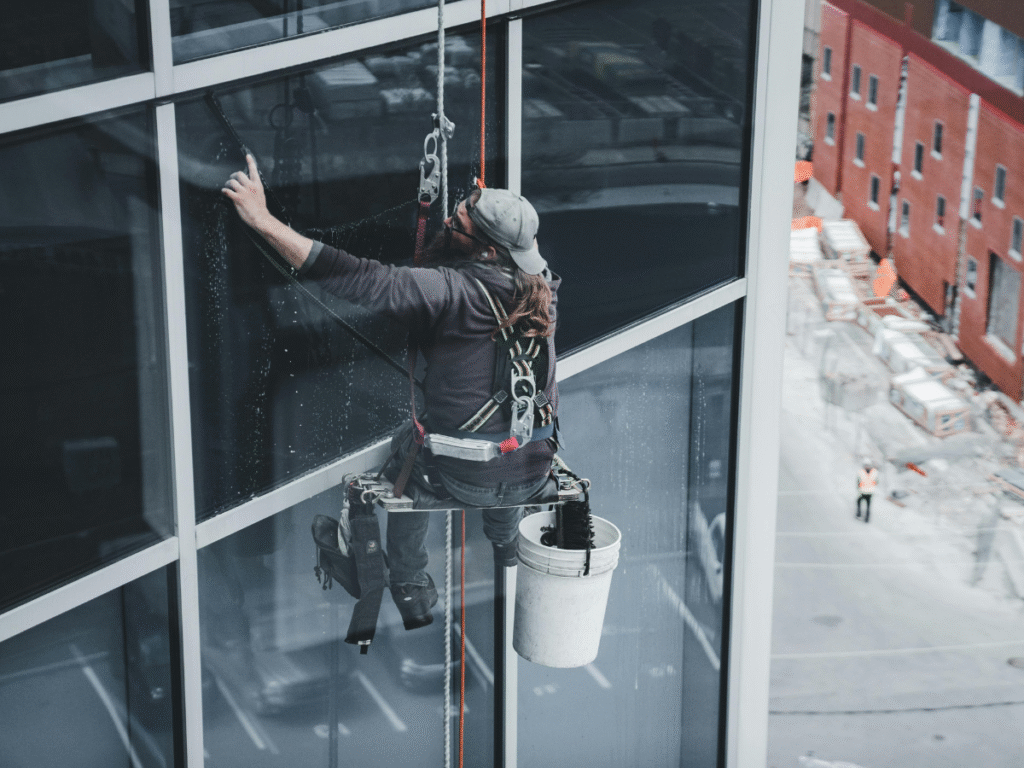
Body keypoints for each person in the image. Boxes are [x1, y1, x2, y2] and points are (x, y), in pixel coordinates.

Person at [222, 155, 560, 629]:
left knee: (411, 451)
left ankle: (410, 584)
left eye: (459, 220)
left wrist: (263, 222)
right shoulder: (544, 291)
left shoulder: (450, 293)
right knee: (506, 453)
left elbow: (356, 277)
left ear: (486, 252)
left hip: (468, 477)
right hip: (531, 468)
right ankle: (505, 542)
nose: (449, 218)